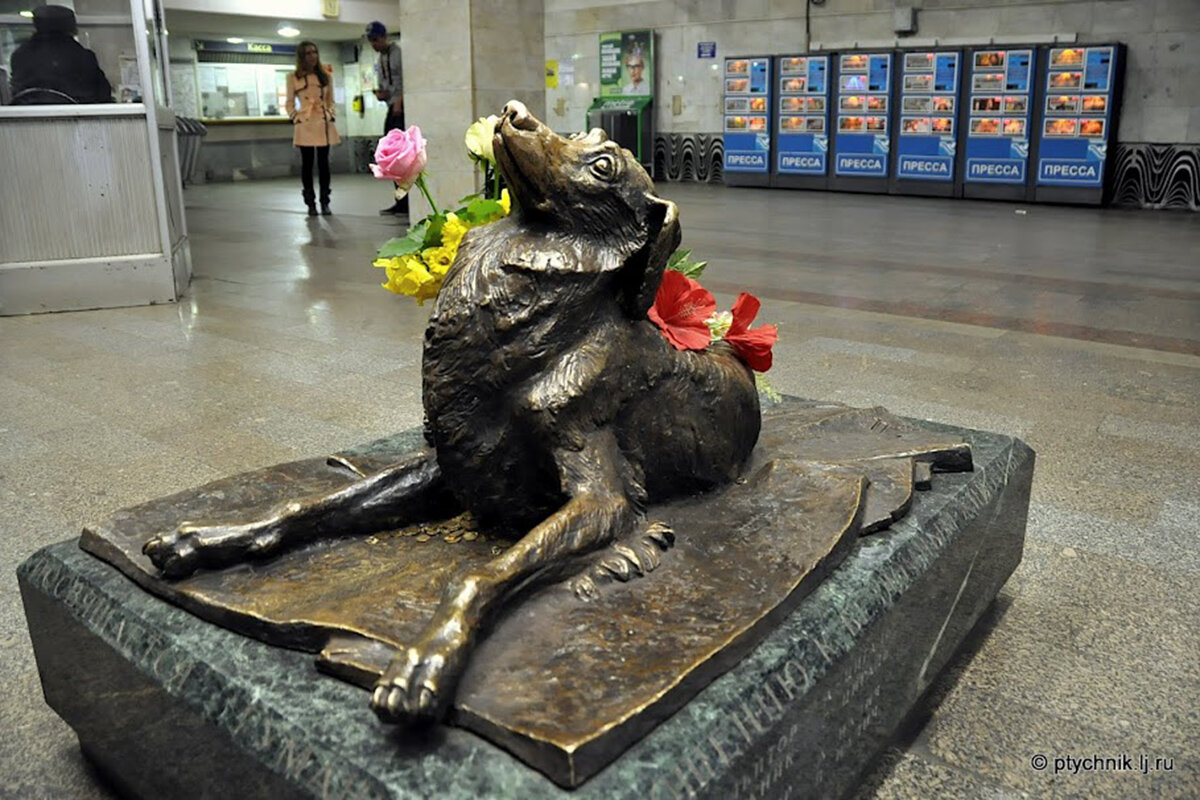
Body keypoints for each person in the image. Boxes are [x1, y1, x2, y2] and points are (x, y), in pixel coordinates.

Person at [9, 5, 113, 105]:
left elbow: (15, 91)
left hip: (26, 120)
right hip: (75, 119)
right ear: (71, 27)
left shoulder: (21, 55)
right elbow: (103, 95)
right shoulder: (82, 57)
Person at [287, 41, 340, 217]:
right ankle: (310, 202)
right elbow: (288, 102)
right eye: (308, 53)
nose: (312, 56)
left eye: (314, 52)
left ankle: (325, 201)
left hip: (323, 122)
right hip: (306, 123)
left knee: (324, 164)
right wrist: (296, 117)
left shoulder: (325, 76)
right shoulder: (293, 77)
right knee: (307, 164)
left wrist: (330, 113)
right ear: (302, 56)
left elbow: (330, 100)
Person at [366, 21, 407, 216]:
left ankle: (406, 201)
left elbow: (406, 80)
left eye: (376, 40)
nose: (374, 44)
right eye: (370, 41)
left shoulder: (398, 53)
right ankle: (400, 200)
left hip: (402, 107)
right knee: (391, 155)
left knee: (401, 155)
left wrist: (400, 100)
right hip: (391, 105)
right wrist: (383, 94)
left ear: (384, 37)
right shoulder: (380, 59)